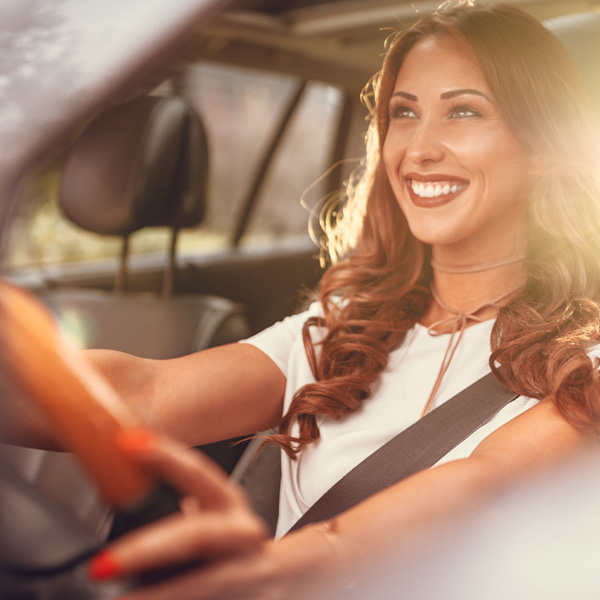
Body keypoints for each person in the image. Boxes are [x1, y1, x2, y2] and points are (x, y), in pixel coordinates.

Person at [4, 1, 600, 598]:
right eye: (404, 113)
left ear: (545, 144)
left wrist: (272, 571)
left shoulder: (583, 363)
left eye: (464, 112)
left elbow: (486, 484)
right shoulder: (338, 330)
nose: (418, 149)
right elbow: (143, 395)